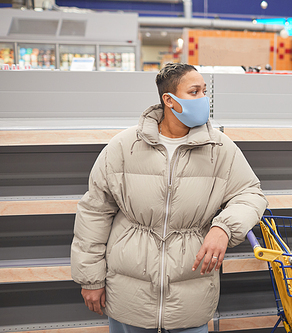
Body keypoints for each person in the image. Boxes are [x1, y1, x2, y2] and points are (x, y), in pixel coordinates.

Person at [71, 63, 268, 333]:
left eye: (204, 91)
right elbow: (94, 212)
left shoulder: (220, 148)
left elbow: (251, 194)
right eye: (194, 92)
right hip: (129, 294)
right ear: (169, 100)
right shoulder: (124, 146)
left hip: (191, 296)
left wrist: (224, 228)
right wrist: (90, 280)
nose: (203, 100)